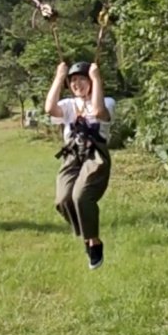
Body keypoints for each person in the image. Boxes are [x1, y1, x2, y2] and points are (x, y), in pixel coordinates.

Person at [44, 58, 114, 268]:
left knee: (81, 197)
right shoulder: (67, 105)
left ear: (91, 82)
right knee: (63, 200)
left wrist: (96, 78)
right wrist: (59, 77)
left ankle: (94, 242)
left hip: (95, 155)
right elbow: (50, 109)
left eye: (82, 80)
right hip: (72, 155)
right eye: (73, 81)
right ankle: (87, 236)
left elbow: (100, 112)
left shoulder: (106, 101)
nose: (77, 84)